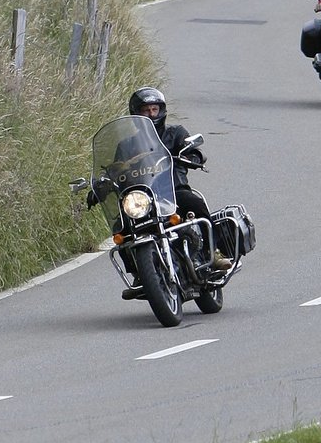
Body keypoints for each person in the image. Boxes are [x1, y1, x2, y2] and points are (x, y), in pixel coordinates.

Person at [92, 86, 232, 299]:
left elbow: (190, 148)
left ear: (162, 111)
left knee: (193, 202)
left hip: (172, 190)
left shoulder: (175, 133)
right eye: (145, 110)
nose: (150, 114)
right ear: (136, 114)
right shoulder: (127, 145)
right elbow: (114, 169)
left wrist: (192, 156)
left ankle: (213, 253)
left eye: (154, 109)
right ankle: (140, 272)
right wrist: (99, 186)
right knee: (122, 227)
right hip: (142, 198)